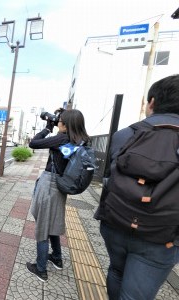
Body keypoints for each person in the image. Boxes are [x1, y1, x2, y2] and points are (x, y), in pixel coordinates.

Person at [95, 74, 179, 300]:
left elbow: (110, 176)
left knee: (116, 271)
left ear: (151, 102)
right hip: (162, 236)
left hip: (116, 223)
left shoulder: (126, 134)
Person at [26, 108, 91, 281]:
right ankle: (57, 257)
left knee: (43, 226)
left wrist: (48, 128)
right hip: (61, 185)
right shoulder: (79, 140)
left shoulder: (62, 138)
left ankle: (40, 268)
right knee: (52, 220)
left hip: (50, 185)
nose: (58, 122)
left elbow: (34, 143)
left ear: (66, 124)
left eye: (60, 120)